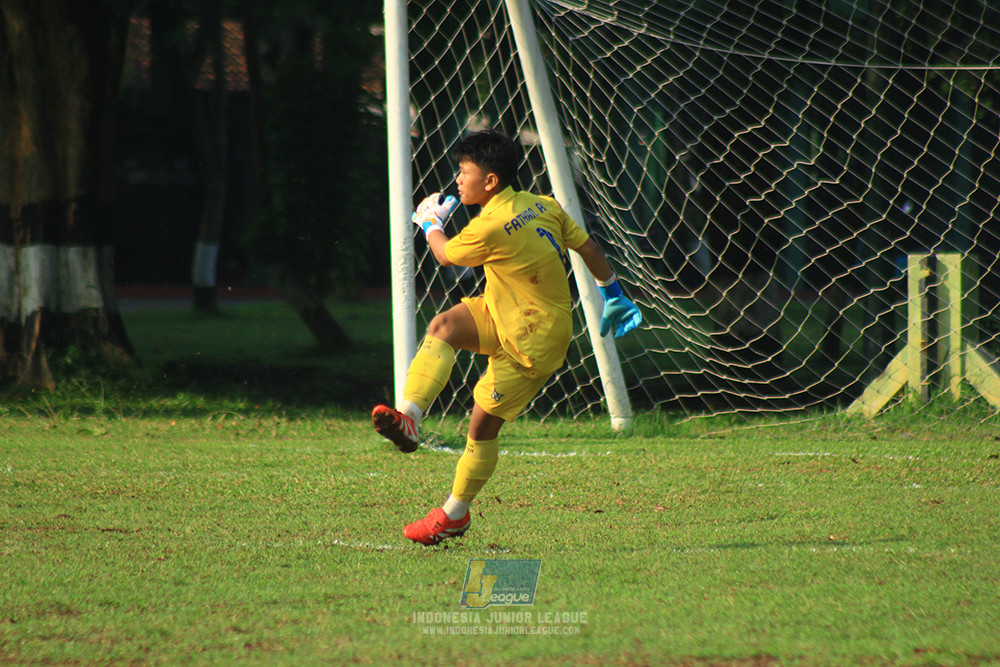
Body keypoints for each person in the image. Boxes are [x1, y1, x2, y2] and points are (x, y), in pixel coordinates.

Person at [371, 130, 641, 546]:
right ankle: (409, 418)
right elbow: (587, 247)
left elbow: (443, 255)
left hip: (535, 339)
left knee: (480, 428)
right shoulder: (542, 205)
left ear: (491, 181)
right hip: (503, 308)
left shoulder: (491, 226)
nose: (458, 180)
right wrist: (613, 292)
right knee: (443, 326)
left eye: (465, 172)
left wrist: (428, 222)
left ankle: (454, 514)